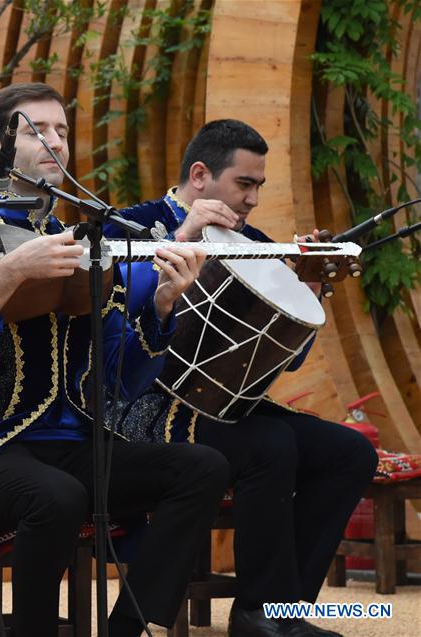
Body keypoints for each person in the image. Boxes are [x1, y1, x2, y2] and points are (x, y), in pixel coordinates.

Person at [0, 82, 230, 637]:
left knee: (203, 467)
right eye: (37, 130)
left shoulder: (86, 242)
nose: (55, 142)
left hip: (75, 441)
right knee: (58, 497)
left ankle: (128, 628)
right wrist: (8, 273)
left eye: (62, 130)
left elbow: (121, 380)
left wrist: (160, 306)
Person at [112, 119, 378, 637]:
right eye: (244, 184)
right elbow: (113, 320)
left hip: (228, 409)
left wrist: (309, 285)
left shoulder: (250, 242)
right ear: (200, 175)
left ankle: (284, 613)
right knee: (270, 443)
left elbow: (285, 360)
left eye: (259, 186)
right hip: (146, 408)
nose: (254, 198)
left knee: (351, 453)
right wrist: (180, 237)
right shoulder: (132, 225)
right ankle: (259, 615)